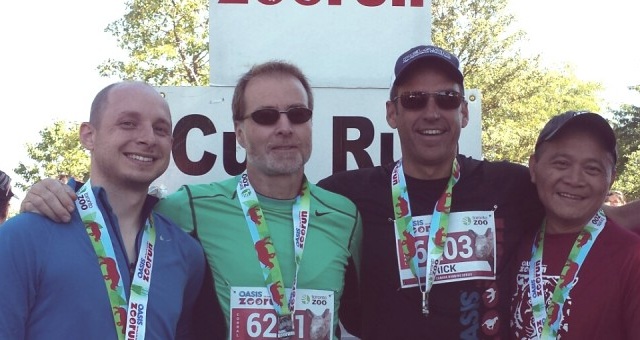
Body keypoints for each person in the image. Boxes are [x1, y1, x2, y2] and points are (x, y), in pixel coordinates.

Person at [19, 62, 362, 340]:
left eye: (298, 114)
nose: (285, 127)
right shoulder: (189, 207)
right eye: (265, 116)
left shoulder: (346, 216)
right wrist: (49, 197)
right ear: (239, 133)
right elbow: (113, 217)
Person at [0, 81, 205, 339]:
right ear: (89, 135)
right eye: (128, 123)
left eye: (160, 129)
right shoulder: (23, 237)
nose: (148, 138)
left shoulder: (187, 253)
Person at [510, 111, 640, 339]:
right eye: (561, 163)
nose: (574, 179)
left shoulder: (632, 256)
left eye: (592, 169)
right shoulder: (512, 241)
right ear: (534, 168)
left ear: (611, 179)